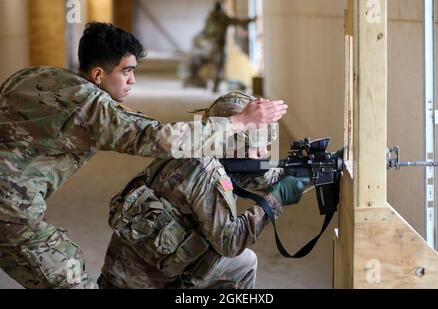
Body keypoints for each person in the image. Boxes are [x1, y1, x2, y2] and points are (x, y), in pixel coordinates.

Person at [0, 23, 288, 289]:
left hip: (14, 206)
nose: (133, 80)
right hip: (11, 213)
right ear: (98, 74)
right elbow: (156, 138)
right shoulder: (92, 108)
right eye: (126, 71)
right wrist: (237, 124)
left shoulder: (39, 76)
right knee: (73, 279)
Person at [97, 92, 310, 289]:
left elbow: (258, 175)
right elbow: (230, 241)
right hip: (141, 284)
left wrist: (308, 171)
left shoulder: (192, 148)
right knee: (242, 263)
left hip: (118, 276)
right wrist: (276, 198)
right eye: (255, 147)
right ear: (232, 143)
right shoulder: (207, 172)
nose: (262, 154)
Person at [183, 1, 256, 92]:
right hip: (218, 45)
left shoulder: (210, 17)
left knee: (204, 63)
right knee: (219, 66)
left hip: (207, 45)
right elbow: (238, 22)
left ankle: (196, 80)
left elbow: (206, 31)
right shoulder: (223, 18)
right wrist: (252, 20)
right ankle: (214, 86)